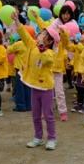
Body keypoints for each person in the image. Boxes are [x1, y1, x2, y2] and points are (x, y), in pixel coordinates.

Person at [12, 12, 60, 150]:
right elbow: (24, 34)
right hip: (34, 86)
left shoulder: (50, 52)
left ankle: (51, 138)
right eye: (41, 33)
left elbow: (47, 60)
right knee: (35, 114)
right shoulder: (32, 44)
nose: (40, 35)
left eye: (44, 35)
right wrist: (17, 21)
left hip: (46, 88)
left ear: (50, 41)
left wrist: (41, 48)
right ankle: (38, 137)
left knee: (48, 115)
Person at [7, 27, 34, 112]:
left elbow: (8, 50)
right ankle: (29, 105)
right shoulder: (33, 43)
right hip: (29, 69)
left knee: (19, 88)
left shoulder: (19, 43)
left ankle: (20, 106)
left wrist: (10, 43)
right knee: (28, 88)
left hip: (19, 69)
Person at [70, 30, 84, 113]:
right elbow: (75, 54)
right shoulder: (79, 45)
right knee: (79, 88)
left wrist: (76, 42)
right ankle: (79, 104)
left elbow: (82, 49)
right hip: (78, 71)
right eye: (82, 34)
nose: (82, 35)